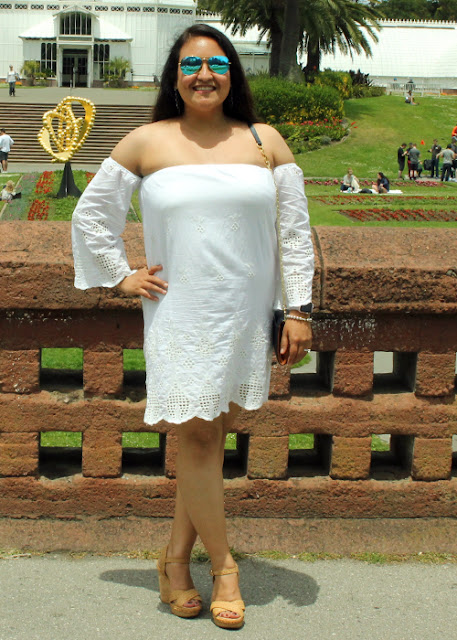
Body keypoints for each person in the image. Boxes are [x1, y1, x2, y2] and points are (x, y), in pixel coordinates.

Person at [72, 23, 314, 630]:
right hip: (181, 312)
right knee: (202, 438)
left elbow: (293, 233)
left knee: (208, 436)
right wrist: (121, 276)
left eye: (216, 63)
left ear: (232, 72)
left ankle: (174, 559)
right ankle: (224, 567)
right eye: (190, 65)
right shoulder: (146, 141)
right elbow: (90, 215)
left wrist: (299, 309)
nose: (204, 74)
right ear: (174, 77)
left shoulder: (264, 141)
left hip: (244, 311)